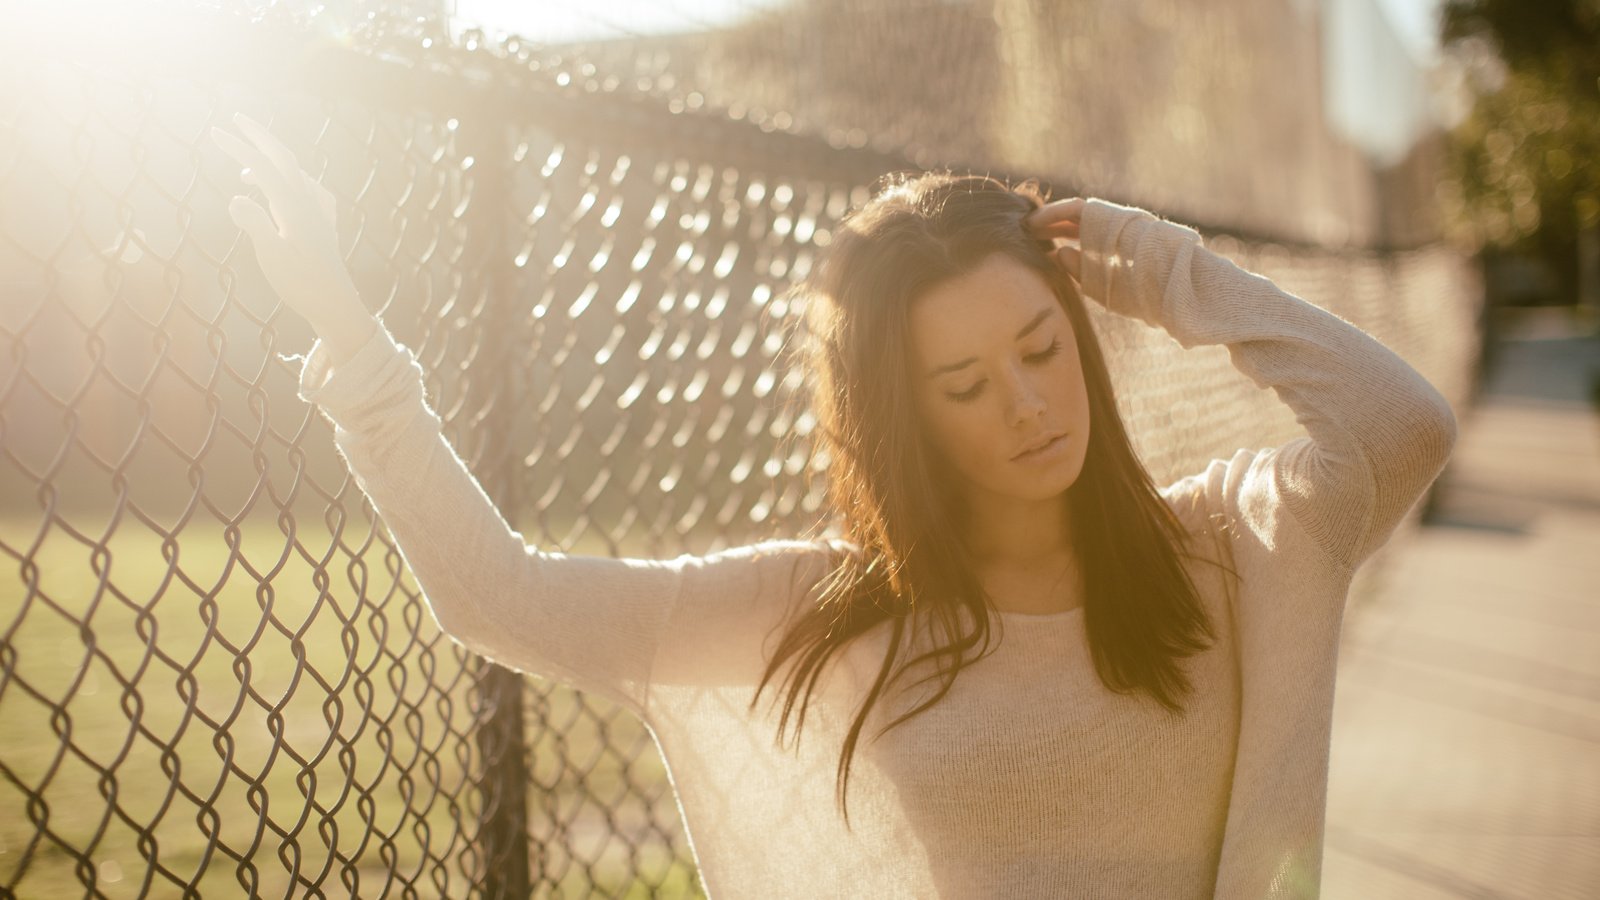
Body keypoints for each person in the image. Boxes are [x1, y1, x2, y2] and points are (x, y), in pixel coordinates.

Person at [211, 112, 1458, 899]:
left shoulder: (1232, 542)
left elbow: (1402, 424)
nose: (1026, 405)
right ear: (904, 422)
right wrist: (347, 332)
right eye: (963, 384)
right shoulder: (825, 609)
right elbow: (503, 597)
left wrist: (1170, 271)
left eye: (1039, 347)